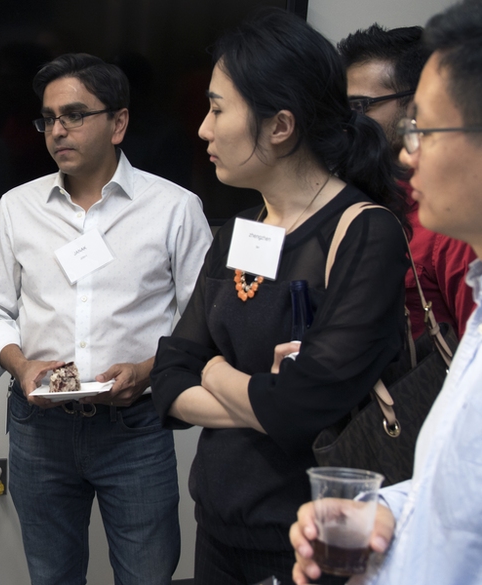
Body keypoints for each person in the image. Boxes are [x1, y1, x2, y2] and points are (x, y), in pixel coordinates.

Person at [149, 10, 409, 585]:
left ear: (281, 126)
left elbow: (301, 405)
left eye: (218, 109)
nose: (203, 129)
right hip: (219, 525)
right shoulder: (240, 232)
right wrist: (261, 399)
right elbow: (168, 378)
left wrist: (214, 371)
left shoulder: (365, 231)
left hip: (313, 539)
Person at [0, 53, 212, 585]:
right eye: (48, 118)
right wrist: (21, 365)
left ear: (118, 123)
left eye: (74, 115)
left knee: (148, 575)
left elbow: (201, 324)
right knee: (51, 576)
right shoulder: (17, 207)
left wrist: (147, 371)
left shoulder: (175, 208)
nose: (58, 130)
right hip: (38, 429)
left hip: (135, 426)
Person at [291, 1, 482, 583]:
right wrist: (388, 512)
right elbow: (456, 492)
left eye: (423, 129)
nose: (406, 151)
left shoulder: (445, 242)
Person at [340, 24, 476, 340]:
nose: (347, 122)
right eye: (343, 108)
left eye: (360, 106)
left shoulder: (449, 223)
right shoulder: (352, 200)